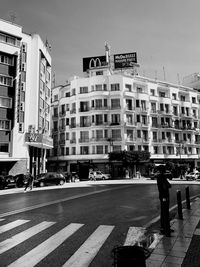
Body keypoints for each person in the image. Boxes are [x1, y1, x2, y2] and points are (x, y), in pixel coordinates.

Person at [156, 165, 173, 236]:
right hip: (164, 196)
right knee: (165, 212)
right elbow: (167, 186)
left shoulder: (161, 176)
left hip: (163, 196)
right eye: (164, 169)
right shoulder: (161, 177)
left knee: (164, 211)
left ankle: (165, 227)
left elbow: (168, 185)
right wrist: (167, 185)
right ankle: (165, 228)